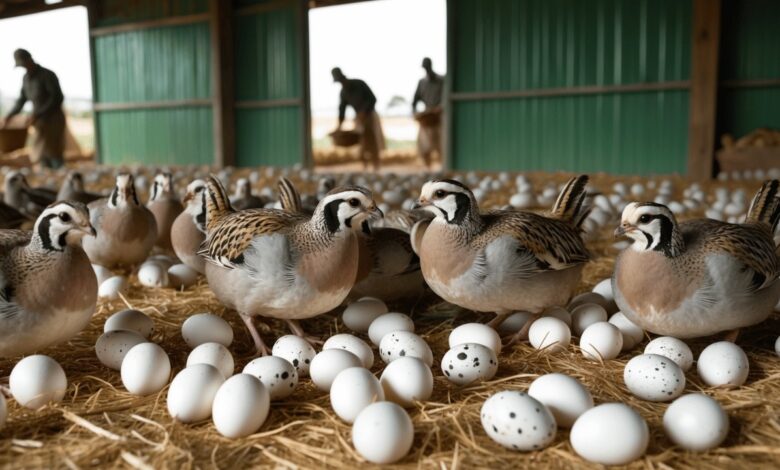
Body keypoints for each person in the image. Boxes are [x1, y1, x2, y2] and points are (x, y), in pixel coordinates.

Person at [2, 49, 66, 169]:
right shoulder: (26, 79)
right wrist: (9, 116)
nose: (24, 67)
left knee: (54, 151)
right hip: (40, 122)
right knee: (42, 154)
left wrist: (38, 114)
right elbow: (21, 100)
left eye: (24, 64)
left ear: (30, 59)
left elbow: (57, 98)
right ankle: (46, 173)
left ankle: (58, 172)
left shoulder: (47, 75)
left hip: (53, 120)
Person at [332, 67, 385, 171]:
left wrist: (364, 111)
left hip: (370, 115)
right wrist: (339, 125)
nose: (341, 83)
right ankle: (364, 167)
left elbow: (373, 99)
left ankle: (376, 166)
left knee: (372, 141)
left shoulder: (359, 84)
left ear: (344, 78)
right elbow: (341, 110)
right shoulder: (343, 93)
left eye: (341, 80)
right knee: (361, 142)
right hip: (358, 118)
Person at [412, 57, 444, 168]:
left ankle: (442, 167)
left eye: (427, 67)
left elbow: (446, 97)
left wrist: (440, 107)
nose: (426, 70)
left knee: (441, 145)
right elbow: (415, 100)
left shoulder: (441, 80)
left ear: (431, 66)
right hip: (427, 117)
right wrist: (415, 112)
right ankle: (428, 168)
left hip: (439, 117)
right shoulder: (422, 82)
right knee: (424, 146)